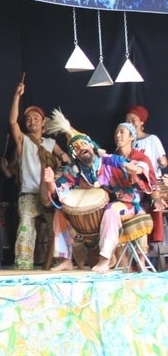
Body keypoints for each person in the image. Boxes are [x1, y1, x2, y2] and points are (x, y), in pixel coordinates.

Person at [44, 112, 165, 273]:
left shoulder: (109, 160)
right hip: (98, 211)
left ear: (91, 146)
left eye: (83, 145)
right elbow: (59, 192)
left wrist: (136, 169)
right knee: (60, 213)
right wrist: (50, 182)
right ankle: (65, 259)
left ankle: (105, 259)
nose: (81, 149)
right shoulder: (75, 171)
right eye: (76, 148)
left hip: (128, 205)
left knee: (111, 209)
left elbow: (140, 166)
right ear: (75, 155)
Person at [8, 81, 69, 270]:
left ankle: (58, 263)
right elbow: (12, 122)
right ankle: (23, 266)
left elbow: (64, 157)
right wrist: (17, 96)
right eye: (28, 119)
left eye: (36, 118)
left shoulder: (51, 143)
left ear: (43, 122)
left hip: (48, 194)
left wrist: (63, 159)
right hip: (28, 194)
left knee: (56, 228)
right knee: (26, 225)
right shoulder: (23, 140)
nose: (31, 121)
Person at [126, 105, 167, 247]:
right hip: (134, 186)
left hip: (152, 184)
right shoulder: (127, 142)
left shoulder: (152, 139)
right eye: (127, 121)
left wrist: (162, 162)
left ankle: (153, 243)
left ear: (142, 122)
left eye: (133, 120)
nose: (130, 123)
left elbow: (163, 161)